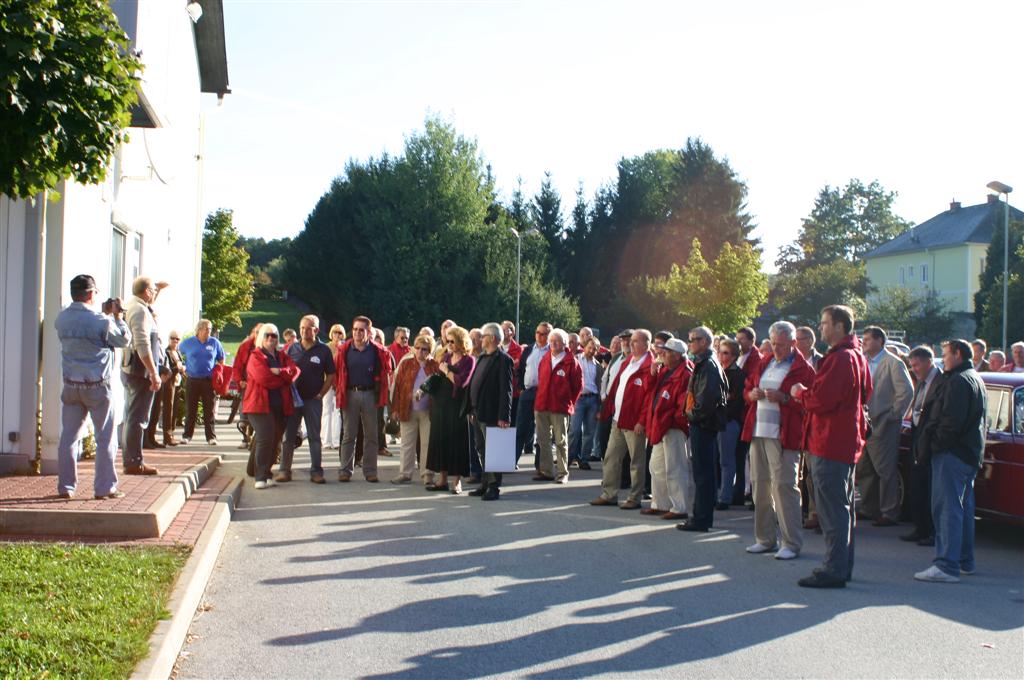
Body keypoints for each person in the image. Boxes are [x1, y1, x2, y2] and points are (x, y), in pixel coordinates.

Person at [790, 304, 871, 588]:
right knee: (842, 507)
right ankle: (841, 565)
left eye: (824, 323)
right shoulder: (855, 355)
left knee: (833, 509)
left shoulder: (841, 358)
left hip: (830, 441)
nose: (821, 327)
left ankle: (834, 568)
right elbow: (865, 392)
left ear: (839, 326)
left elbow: (823, 399)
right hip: (843, 440)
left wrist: (801, 393)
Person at [913, 339, 986, 583]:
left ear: (957, 354)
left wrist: (935, 445)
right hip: (967, 453)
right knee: (962, 509)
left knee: (947, 509)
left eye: (945, 354)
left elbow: (950, 422)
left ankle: (946, 564)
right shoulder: (973, 377)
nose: (942, 359)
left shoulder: (957, 381)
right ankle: (963, 560)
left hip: (952, 453)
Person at [741, 321, 815, 560]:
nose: (776, 348)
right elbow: (748, 387)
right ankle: (765, 539)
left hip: (784, 435)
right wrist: (751, 394)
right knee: (760, 485)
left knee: (784, 487)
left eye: (781, 345)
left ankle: (791, 542)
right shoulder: (765, 362)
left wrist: (784, 398)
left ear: (794, 344)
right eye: (773, 343)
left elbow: (811, 403)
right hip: (759, 431)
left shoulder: (804, 369)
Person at [54, 275, 132, 499]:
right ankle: (104, 488)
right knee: (105, 438)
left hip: (71, 385)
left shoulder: (62, 319)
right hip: (97, 387)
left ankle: (66, 487)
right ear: (90, 294)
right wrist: (118, 316)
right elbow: (123, 340)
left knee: (68, 437)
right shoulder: (102, 321)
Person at [591, 329, 655, 510]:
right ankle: (609, 494)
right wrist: (608, 410)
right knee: (611, 457)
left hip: (634, 423)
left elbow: (648, 398)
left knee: (636, 462)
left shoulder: (649, 365)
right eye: (630, 341)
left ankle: (634, 498)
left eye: (635, 341)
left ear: (646, 344)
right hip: (618, 419)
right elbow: (616, 387)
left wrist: (642, 421)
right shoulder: (628, 361)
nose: (630, 344)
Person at [858, 326, 914, 526]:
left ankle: (889, 512)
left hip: (883, 423)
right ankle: (868, 508)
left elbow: (906, 391)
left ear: (881, 341)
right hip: (863, 423)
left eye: (868, 339)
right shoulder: (862, 360)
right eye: (863, 338)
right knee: (865, 468)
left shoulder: (893, 362)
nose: (864, 342)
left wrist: (893, 416)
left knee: (885, 470)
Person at [677, 326, 728, 532]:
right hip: (703, 423)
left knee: (703, 474)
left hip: (703, 425)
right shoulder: (705, 363)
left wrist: (691, 415)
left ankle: (701, 519)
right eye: (689, 339)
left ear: (705, 342)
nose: (690, 343)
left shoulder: (708, 364)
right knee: (703, 473)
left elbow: (706, 399)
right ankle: (701, 517)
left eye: (694, 339)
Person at [276, 315, 336, 483]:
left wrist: (321, 394)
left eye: (308, 328)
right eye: (302, 328)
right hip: (293, 400)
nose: (304, 331)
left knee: (315, 437)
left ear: (316, 330)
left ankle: (316, 471)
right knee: (288, 437)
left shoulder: (323, 350)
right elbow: (282, 371)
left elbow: (331, 374)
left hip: (312, 400)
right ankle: (284, 470)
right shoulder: (291, 349)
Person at [334, 316, 393, 482]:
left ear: (368, 332)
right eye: (355, 329)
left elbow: (385, 373)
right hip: (350, 394)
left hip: (370, 395)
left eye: (361, 330)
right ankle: (345, 470)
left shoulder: (377, 351)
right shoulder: (344, 350)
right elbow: (337, 373)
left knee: (372, 435)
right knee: (348, 435)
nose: (358, 333)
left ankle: (370, 472)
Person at [243, 324, 300, 489]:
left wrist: (279, 371)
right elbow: (264, 378)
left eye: (274, 335)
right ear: (261, 336)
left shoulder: (282, 356)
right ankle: (260, 476)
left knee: (274, 441)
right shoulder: (255, 356)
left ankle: (265, 472)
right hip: (259, 406)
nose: (270, 338)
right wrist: (284, 377)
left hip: (280, 406)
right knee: (265, 438)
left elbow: (295, 371)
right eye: (267, 335)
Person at [420, 325, 476, 494]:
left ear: (461, 341)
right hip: (440, 405)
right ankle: (442, 479)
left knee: (456, 443)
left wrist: (447, 371)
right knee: (440, 441)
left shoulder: (469, 360)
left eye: (453, 341)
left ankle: (456, 481)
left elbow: (462, 383)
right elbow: (437, 377)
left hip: (456, 406)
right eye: (447, 341)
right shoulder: (445, 356)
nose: (449, 344)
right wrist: (423, 390)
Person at [642, 337, 693, 520]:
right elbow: (649, 392)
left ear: (677, 355)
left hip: (672, 427)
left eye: (667, 351)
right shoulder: (665, 370)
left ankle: (679, 507)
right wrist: (653, 374)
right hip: (660, 425)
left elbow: (683, 404)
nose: (662, 354)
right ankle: (660, 503)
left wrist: (673, 420)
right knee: (656, 466)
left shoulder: (686, 374)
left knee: (675, 467)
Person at [120, 276, 166, 475]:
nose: (155, 293)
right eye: (153, 290)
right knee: (137, 418)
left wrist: (159, 291)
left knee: (132, 416)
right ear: (146, 292)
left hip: (135, 370)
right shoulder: (139, 311)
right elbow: (142, 343)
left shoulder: (137, 306)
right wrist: (154, 373)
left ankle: (132, 459)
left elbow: (149, 302)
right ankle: (133, 462)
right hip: (141, 372)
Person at [468, 322, 515, 500]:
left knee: (494, 450)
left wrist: (504, 416)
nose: (481, 339)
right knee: (481, 448)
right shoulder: (482, 357)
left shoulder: (504, 360)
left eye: (484, 336)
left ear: (493, 338)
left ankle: (494, 487)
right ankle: (485, 483)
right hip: (478, 411)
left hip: (492, 413)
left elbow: (506, 390)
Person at [902, 345, 941, 546]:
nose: (914, 369)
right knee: (916, 484)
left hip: (931, 438)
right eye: (912, 365)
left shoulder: (941, 381)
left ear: (928, 362)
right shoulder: (921, 381)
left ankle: (932, 531)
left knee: (929, 487)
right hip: (917, 434)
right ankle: (920, 528)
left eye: (916, 365)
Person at [534, 328, 583, 484]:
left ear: (564, 343)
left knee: (561, 441)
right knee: (543, 440)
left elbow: (577, 387)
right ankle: (546, 470)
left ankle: (563, 473)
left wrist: (568, 403)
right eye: (552, 341)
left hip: (559, 407)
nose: (553, 344)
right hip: (542, 405)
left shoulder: (571, 362)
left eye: (557, 341)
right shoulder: (545, 358)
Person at [390, 334, 438, 485]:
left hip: (428, 411)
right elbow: (397, 387)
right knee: (406, 443)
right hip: (407, 408)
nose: (420, 352)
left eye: (424, 349)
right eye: (417, 348)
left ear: (430, 350)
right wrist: (395, 408)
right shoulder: (406, 364)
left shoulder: (434, 365)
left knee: (427, 443)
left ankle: (427, 474)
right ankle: (405, 473)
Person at [178, 319, 226, 446]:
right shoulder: (189, 343)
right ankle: (187, 435)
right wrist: (181, 365)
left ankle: (211, 437)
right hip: (192, 379)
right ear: (199, 329)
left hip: (208, 381)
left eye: (210, 329)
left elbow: (221, 359)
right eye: (206, 329)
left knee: (209, 410)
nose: (208, 331)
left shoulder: (214, 343)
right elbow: (177, 353)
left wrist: (219, 373)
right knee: (191, 409)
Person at [732, 326, 763, 505]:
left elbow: (748, 383)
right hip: (737, 413)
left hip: (747, 413)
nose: (738, 342)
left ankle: (751, 493)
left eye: (742, 339)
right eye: (737, 338)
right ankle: (741, 491)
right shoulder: (738, 356)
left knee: (749, 457)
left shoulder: (756, 359)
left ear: (751, 341)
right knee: (739, 457)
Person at [514, 322, 552, 466]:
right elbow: (521, 369)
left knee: (542, 431)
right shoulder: (529, 349)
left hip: (544, 394)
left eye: (543, 334)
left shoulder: (552, 351)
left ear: (549, 335)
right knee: (521, 428)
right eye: (538, 332)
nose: (540, 336)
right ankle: (512, 461)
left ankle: (539, 465)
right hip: (528, 393)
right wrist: (522, 388)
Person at [716, 338, 745, 510]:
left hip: (728, 423)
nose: (721, 355)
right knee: (716, 461)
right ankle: (716, 494)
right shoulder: (717, 371)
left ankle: (725, 497)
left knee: (727, 461)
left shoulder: (739, 375)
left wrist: (721, 413)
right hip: (714, 422)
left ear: (734, 356)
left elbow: (735, 402)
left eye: (725, 352)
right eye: (720, 351)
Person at [568, 337, 603, 470]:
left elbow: (600, 386)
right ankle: (570, 457)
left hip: (593, 400)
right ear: (585, 346)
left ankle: (584, 459)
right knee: (575, 430)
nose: (592, 350)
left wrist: (600, 405)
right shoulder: (576, 360)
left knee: (589, 432)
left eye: (595, 348)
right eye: (590, 346)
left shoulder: (598, 366)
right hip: (579, 399)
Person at [159, 331, 187, 446]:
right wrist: (178, 368)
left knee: (174, 409)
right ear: (169, 339)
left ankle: (172, 433)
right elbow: (167, 369)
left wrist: (183, 367)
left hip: (177, 383)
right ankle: (167, 436)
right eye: (173, 338)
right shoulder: (167, 352)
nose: (175, 341)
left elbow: (182, 364)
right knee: (168, 409)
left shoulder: (178, 352)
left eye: (177, 339)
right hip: (169, 384)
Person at [322, 324, 346, 450]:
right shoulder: (326, 347)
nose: (337, 335)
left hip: (340, 382)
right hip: (327, 381)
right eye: (335, 332)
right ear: (331, 334)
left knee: (337, 412)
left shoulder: (345, 347)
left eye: (340, 332)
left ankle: (336, 441)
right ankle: (326, 440)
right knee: (326, 410)